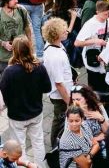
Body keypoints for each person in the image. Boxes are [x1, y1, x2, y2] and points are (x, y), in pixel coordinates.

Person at [0, 36, 50, 164]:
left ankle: (23, 166)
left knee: (18, 146)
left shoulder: (9, 72)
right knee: (38, 142)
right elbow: (47, 88)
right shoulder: (39, 67)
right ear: (29, 48)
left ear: (14, 51)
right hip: (36, 112)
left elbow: (4, 94)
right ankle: (40, 166)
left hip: (17, 116)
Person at [44, 17, 74, 146]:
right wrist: (69, 102)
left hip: (62, 91)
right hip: (60, 96)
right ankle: (54, 145)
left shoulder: (54, 45)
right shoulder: (55, 56)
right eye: (63, 31)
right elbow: (59, 83)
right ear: (56, 35)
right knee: (59, 120)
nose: (67, 32)